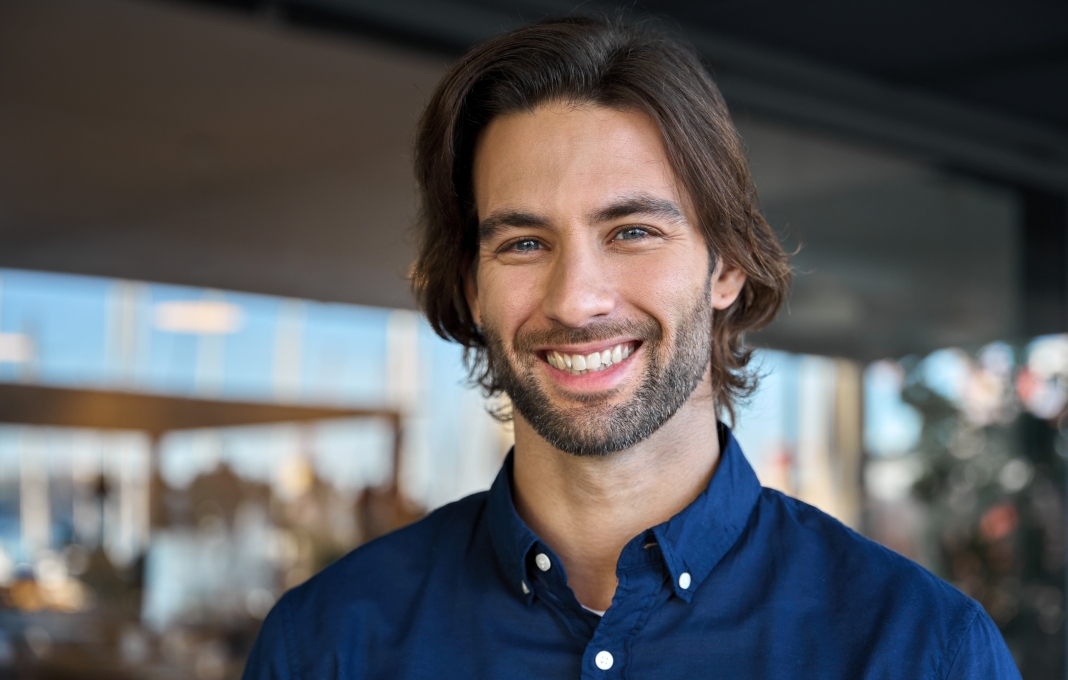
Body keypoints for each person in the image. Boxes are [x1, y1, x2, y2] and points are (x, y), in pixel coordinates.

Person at [243, 17, 1020, 679]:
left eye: (633, 232)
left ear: (727, 265)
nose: (576, 299)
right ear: (473, 288)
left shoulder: (920, 649)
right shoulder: (329, 644)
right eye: (523, 243)